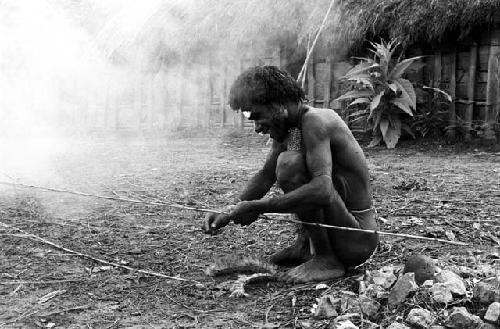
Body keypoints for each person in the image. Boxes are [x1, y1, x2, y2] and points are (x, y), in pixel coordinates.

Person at [203, 65, 378, 283]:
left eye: (257, 116)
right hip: (341, 233)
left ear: (279, 105)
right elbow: (266, 176)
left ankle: (326, 260)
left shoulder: (316, 121)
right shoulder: (293, 129)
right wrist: (229, 210)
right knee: (287, 162)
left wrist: (257, 207)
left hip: (357, 239)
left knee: (289, 164)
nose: (257, 128)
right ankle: (307, 247)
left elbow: (323, 191)